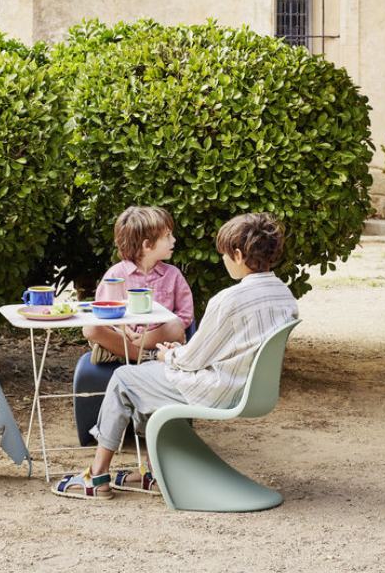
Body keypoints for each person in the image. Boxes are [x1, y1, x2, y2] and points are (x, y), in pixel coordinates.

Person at [54, 212, 299, 500]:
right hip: (251, 390)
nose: (223, 260)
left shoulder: (229, 300)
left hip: (218, 390)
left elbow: (193, 360)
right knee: (143, 380)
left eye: (224, 255)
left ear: (238, 255)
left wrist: (167, 357)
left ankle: (97, 477)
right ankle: (152, 473)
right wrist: (176, 354)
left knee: (124, 377)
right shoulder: (286, 297)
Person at [85, 206, 194, 364]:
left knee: (175, 327)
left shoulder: (173, 275)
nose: (174, 240)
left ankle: (120, 352)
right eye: (168, 236)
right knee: (90, 328)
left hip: (158, 338)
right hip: (123, 334)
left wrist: (145, 338)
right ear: (147, 245)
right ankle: (144, 355)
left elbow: (185, 315)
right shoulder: (115, 275)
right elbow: (104, 314)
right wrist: (128, 333)